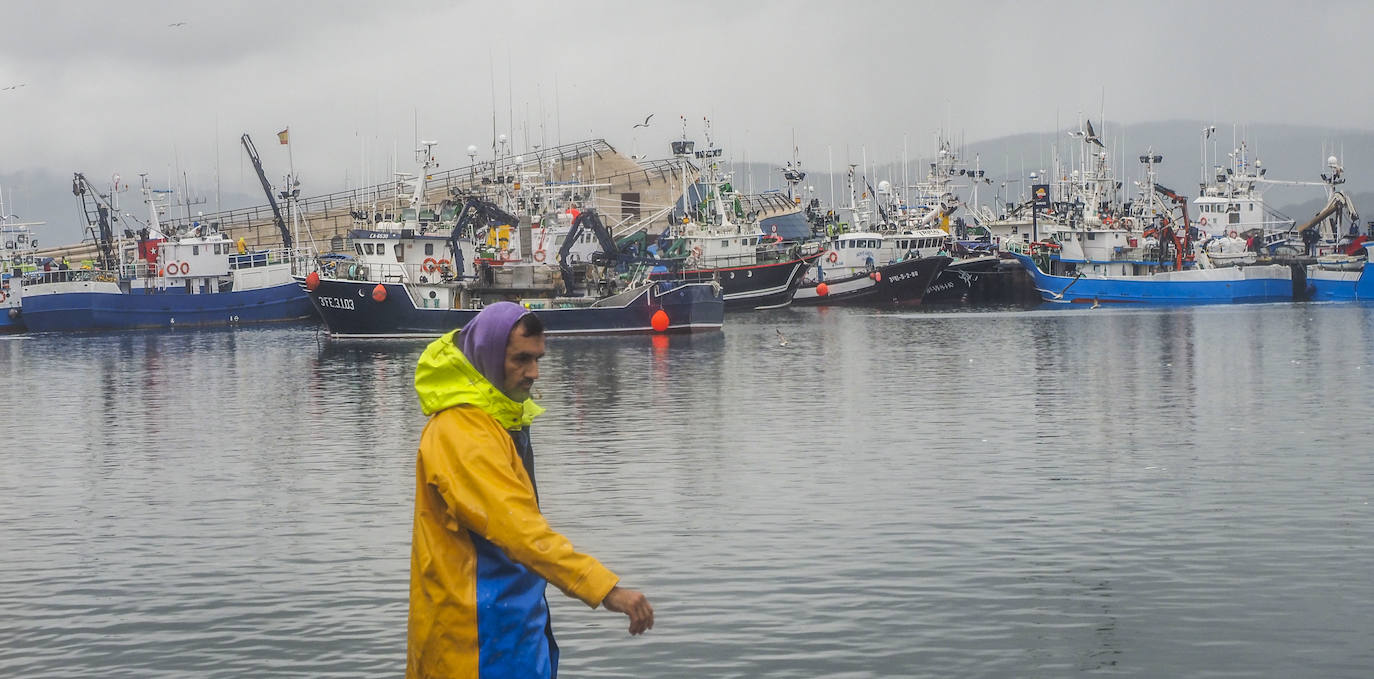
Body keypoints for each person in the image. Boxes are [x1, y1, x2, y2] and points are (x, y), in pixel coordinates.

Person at [407, 302, 653, 678]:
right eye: (521, 359)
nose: (534, 373)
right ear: (488, 355)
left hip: (511, 624)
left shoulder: (498, 420)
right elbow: (519, 530)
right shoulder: (462, 434)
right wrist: (606, 590)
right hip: (473, 639)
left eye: (538, 359)